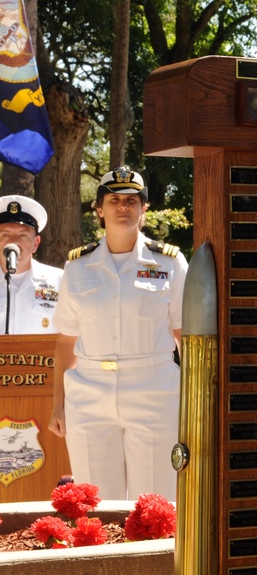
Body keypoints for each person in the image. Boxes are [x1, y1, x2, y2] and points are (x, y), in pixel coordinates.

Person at [49, 166, 187, 501]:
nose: (123, 207)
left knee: (154, 504)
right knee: (95, 504)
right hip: (89, 392)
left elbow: (185, 336)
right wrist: (58, 404)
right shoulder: (77, 266)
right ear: (99, 209)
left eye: (131, 200)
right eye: (114, 200)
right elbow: (66, 341)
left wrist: (197, 403)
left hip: (154, 390)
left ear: (144, 208)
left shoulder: (170, 263)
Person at [0, 195, 62, 334]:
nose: (14, 241)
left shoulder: (60, 281)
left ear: (35, 244)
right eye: (6, 235)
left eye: (23, 235)